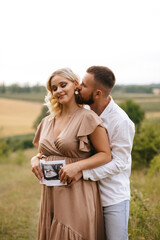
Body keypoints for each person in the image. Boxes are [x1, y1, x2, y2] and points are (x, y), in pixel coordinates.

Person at [31, 67, 111, 240]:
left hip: (77, 191)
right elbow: (43, 153)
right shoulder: (46, 122)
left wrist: (77, 166)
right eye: (54, 88)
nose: (58, 91)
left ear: (75, 84)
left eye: (63, 85)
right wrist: (35, 159)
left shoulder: (88, 118)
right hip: (50, 194)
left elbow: (105, 154)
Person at [69, 66, 135, 240]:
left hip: (112, 198)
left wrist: (84, 173)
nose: (78, 88)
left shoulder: (121, 122)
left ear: (97, 93)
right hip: (85, 195)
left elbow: (119, 162)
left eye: (83, 85)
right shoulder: (83, 111)